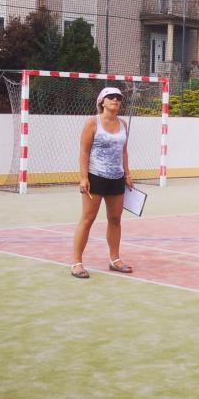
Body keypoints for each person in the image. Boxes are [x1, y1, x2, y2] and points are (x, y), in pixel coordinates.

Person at [71, 86, 135, 278]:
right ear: (102, 102)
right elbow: (84, 151)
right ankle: (76, 263)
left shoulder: (123, 124)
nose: (115, 100)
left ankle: (115, 259)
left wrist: (127, 174)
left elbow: (123, 151)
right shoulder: (92, 123)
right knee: (88, 219)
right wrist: (83, 177)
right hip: (95, 177)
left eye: (119, 98)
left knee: (115, 219)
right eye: (111, 97)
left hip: (117, 178)